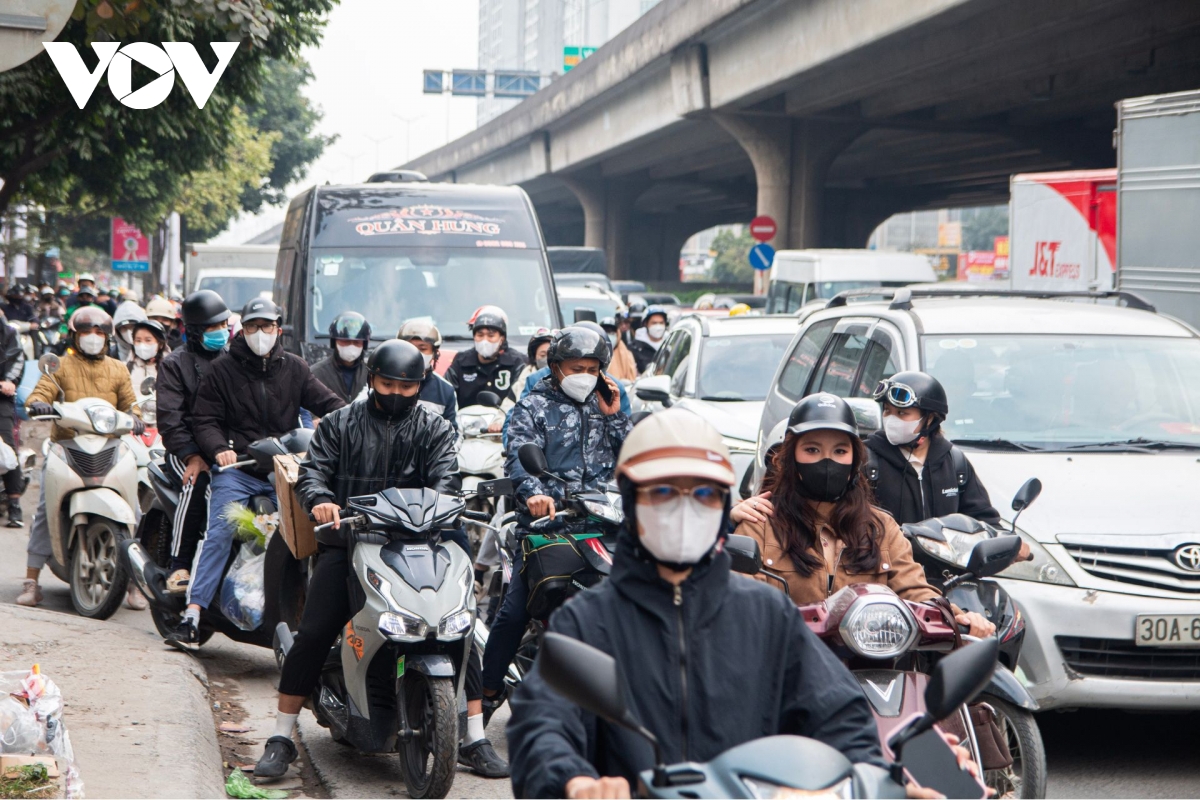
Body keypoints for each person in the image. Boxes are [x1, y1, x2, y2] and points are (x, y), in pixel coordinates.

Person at [507, 410, 889, 799]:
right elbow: (543, 725)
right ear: (632, 503)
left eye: (704, 494)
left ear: (723, 506)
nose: (685, 509)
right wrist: (576, 781)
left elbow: (841, 717)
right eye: (663, 492)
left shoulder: (767, 615)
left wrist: (873, 781)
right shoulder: (587, 622)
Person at [253, 340, 508, 780]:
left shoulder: (433, 427)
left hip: (422, 543)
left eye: (405, 386)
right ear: (372, 379)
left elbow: (447, 478)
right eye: (387, 383)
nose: (395, 392)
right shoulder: (339, 423)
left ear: (420, 385)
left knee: (461, 629)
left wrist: (447, 504)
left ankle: (473, 735)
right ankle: (280, 736)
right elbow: (313, 471)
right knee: (314, 633)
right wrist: (321, 501)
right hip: (351, 541)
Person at [730, 393, 994, 638]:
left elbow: (915, 592)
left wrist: (957, 616)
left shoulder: (881, 527)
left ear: (855, 460)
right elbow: (743, 604)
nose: (827, 461)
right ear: (792, 458)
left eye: (840, 451)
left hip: (874, 670)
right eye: (812, 450)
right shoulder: (761, 522)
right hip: (788, 669)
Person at [167, 298, 344, 649]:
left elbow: (330, 405)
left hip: (284, 468)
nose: (259, 333)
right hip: (239, 468)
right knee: (219, 528)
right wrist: (219, 448)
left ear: (278, 329)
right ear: (242, 329)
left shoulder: (295, 368)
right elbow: (205, 419)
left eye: (266, 326)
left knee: (318, 531)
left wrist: (354, 418)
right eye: (252, 326)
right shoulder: (221, 370)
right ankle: (193, 614)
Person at [481, 326, 631, 717]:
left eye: (592, 367)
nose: (585, 374)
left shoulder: (609, 404)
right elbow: (518, 454)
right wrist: (534, 493)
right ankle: (485, 694)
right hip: (549, 527)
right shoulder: (531, 407)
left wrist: (615, 418)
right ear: (556, 366)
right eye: (576, 366)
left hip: (606, 525)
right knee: (514, 612)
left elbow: (634, 457)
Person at [18, 307, 145, 609]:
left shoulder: (118, 369)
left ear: (108, 337)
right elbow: (41, 392)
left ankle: (134, 584)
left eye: (99, 332)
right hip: (67, 448)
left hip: (109, 448)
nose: (93, 337)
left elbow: (132, 404)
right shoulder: (60, 366)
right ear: (75, 335)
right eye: (86, 331)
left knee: (137, 512)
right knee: (45, 510)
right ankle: (32, 580)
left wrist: (136, 417)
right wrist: (37, 404)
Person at [155, 290, 232, 595]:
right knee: (196, 483)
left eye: (224, 325)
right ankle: (179, 565)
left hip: (225, 449)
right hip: (185, 450)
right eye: (214, 327)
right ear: (197, 331)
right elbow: (170, 420)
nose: (221, 332)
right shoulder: (175, 364)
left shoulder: (234, 360)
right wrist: (191, 455)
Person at [865, 372, 1001, 527]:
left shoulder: (954, 462)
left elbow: (984, 520)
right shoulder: (867, 461)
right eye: (887, 411)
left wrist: (1007, 542)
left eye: (902, 413)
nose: (891, 419)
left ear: (929, 419)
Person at [445, 305, 526, 427]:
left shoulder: (517, 362)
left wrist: (504, 420)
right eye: (480, 335)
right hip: (464, 428)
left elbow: (522, 398)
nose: (485, 340)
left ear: (502, 338)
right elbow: (446, 393)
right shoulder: (461, 361)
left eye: (491, 335)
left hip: (505, 428)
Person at [397, 319, 459, 434]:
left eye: (422, 348)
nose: (415, 353)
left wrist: (443, 452)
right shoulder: (384, 381)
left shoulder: (446, 390)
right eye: (410, 347)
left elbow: (453, 434)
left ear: (434, 352)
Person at [310, 311, 371, 403]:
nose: (351, 346)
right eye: (345, 341)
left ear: (364, 344)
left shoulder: (371, 374)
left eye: (356, 342)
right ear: (334, 341)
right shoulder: (316, 373)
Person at [0, 311, 25, 528]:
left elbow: (17, 359)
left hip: (1, 398)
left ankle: (14, 503)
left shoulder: (9, 334)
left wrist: (8, 381)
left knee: (7, 448)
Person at [125, 319, 168, 390]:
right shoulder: (126, 368)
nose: (142, 345)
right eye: (138, 340)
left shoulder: (169, 369)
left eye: (148, 340)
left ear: (160, 344)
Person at [629, 304, 668, 372]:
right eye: (654, 323)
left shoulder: (671, 344)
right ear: (646, 324)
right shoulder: (635, 348)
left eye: (661, 323)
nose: (658, 327)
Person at [599, 315, 638, 382]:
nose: (609, 335)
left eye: (612, 332)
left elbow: (632, 379)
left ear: (618, 333)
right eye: (606, 331)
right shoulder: (595, 353)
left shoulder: (627, 354)